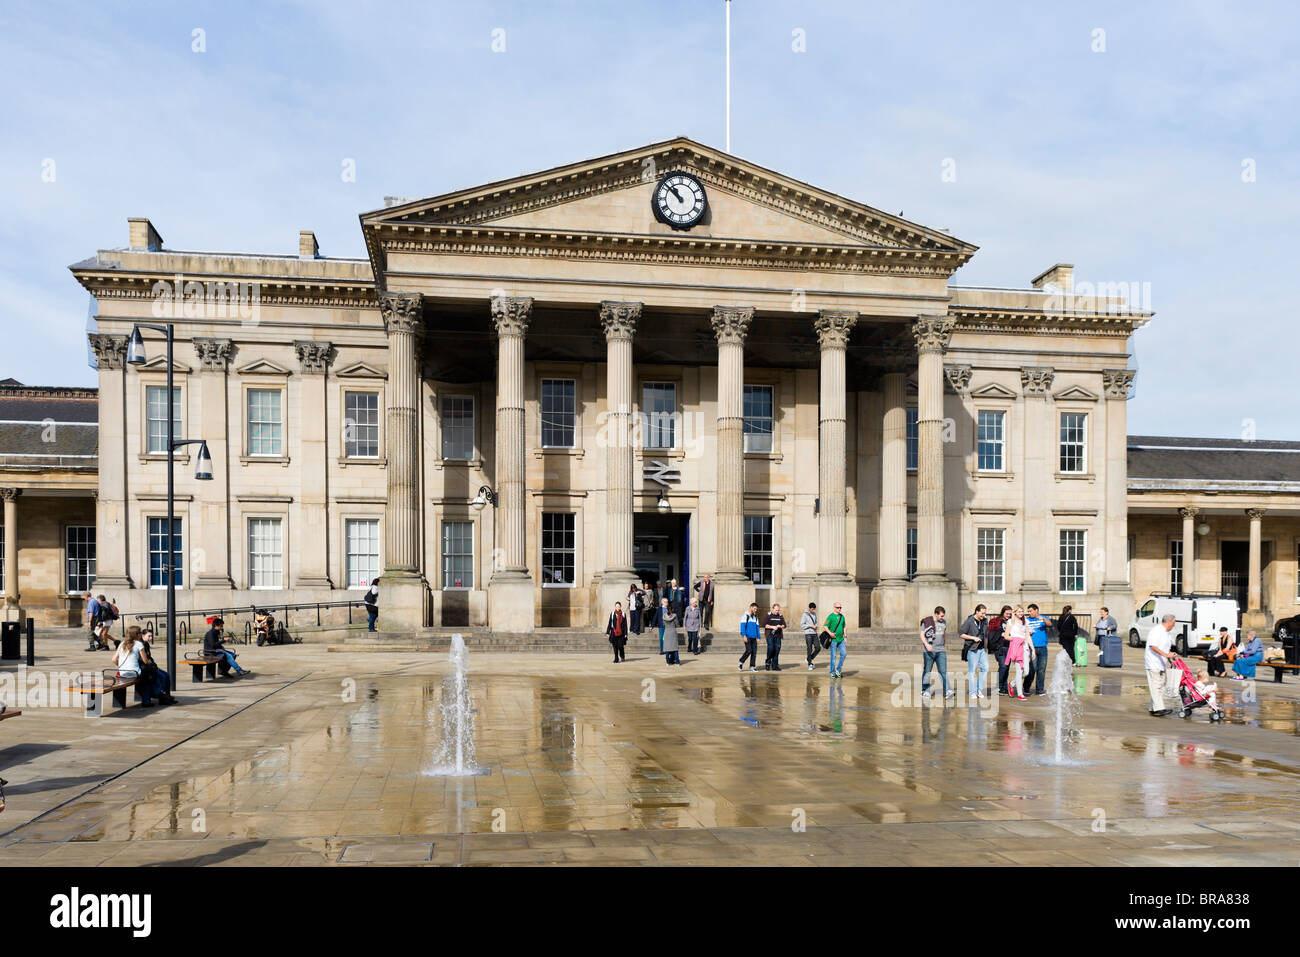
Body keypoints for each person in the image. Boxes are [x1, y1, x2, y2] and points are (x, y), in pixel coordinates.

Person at [1145, 613, 1180, 715]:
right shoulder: (1157, 630)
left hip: (1161, 662)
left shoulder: (1166, 633)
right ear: (1168, 622)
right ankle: (1158, 708)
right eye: (1173, 623)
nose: (1174, 625)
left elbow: (1165, 647)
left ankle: (1153, 707)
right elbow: (1153, 646)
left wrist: (1170, 655)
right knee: (1156, 685)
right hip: (1153, 662)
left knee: (1161, 685)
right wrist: (1165, 655)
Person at [136, 627, 177, 705]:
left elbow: (149, 657)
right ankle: (162, 697)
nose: (151, 638)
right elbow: (143, 660)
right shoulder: (140, 645)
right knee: (161, 676)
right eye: (149, 636)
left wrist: (154, 665)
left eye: (151, 636)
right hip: (145, 668)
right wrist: (152, 666)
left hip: (149, 666)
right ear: (142, 635)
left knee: (166, 675)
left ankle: (166, 696)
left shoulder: (146, 644)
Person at [919, 606, 952, 701]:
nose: (942, 618)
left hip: (941, 650)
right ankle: (925, 691)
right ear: (936, 614)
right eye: (941, 616)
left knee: (943, 672)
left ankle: (947, 691)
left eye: (943, 616)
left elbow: (944, 634)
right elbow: (922, 635)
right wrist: (926, 645)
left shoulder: (944, 622)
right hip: (929, 650)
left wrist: (944, 644)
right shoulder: (927, 621)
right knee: (927, 671)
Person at [960, 604, 989, 699]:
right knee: (972, 671)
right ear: (977, 611)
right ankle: (972, 692)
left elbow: (986, 634)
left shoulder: (985, 621)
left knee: (985, 669)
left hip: (982, 649)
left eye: (985, 613)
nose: (983, 615)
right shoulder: (969, 621)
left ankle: (979, 690)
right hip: (972, 650)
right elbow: (961, 634)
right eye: (982, 613)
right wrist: (973, 638)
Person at [1004, 607, 1032, 700]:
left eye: (1022, 611)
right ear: (1015, 612)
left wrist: (1033, 649)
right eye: (1019, 611)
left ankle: (1012, 684)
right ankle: (1020, 694)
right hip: (1016, 648)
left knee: (1026, 672)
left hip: (1025, 648)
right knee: (1019, 672)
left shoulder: (1025, 622)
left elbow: (1027, 635)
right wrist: (1016, 640)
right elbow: (1006, 636)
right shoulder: (1010, 622)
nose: (1021, 613)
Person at [1024, 603, 1050, 695]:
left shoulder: (1043, 618)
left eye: (1030, 611)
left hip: (1043, 647)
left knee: (1041, 669)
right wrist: (1027, 633)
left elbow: (1049, 624)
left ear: (1036, 610)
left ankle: (1040, 689)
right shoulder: (1026, 620)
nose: (1029, 613)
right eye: (1028, 611)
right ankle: (1026, 687)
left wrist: (1043, 619)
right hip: (1031, 647)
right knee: (1032, 669)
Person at [989, 605, 1012, 696]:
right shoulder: (995, 621)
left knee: (1007, 668)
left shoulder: (1011, 622)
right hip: (999, 647)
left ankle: (1004, 687)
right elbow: (991, 634)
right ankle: (998, 686)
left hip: (1009, 647)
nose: (1008, 615)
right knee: (1003, 666)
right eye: (1007, 613)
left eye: (1010, 614)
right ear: (1003, 612)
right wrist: (1000, 634)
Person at [825, 601, 847, 678]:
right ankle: (832, 672)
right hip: (833, 640)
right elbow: (825, 626)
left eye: (840, 607)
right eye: (838, 607)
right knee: (833, 656)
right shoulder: (830, 616)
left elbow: (844, 626)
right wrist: (830, 633)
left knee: (844, 654)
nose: (839, 609)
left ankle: (838, 669)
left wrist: (845, 636)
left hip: (841, 639)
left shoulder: (842, 617)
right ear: (834, 608)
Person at [738, 603, 761, 672]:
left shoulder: (755, 617)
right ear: (750, 607)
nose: (755, 610)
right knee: (749, 650)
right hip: (747, 637)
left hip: (754, 637)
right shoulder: (745, 616)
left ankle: (752, 666)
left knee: (754, 652)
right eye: (754, 608)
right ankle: (741, 662)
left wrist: (758, 637)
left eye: (756, 609)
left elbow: (757, 628)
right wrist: (744, 635)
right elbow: (742, 627)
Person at [660, 598, 681, 665]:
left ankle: (668, 662)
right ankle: (677, 662)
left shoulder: (664, 616)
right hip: (673, 632)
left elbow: (664, 623)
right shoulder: (674, 616)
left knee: (667, 648)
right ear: (672, 609)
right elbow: (677, 624)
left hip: (666, 632)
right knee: (675, 648)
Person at [800, 602, 820, 671]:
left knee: (818, 647)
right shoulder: (805, 614)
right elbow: (802, 625)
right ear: (809, 608)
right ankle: (810, 664)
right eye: (812, 609)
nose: (813, 610)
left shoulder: (814, 614)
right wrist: (810, 626)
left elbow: (816, 622)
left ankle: (809, 658)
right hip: (808, 633)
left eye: (814, 609)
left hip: (814, 633)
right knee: (809, 649)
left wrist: (816, 626)